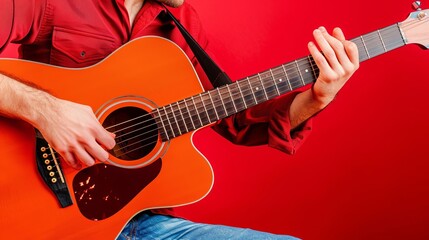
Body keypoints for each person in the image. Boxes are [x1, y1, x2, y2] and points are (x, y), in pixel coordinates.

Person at [0, 0, 359, 239]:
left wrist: (316, 97)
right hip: (31, 218)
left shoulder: (179, 24)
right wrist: (45, 110)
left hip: (135, 224)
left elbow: (238, 120)